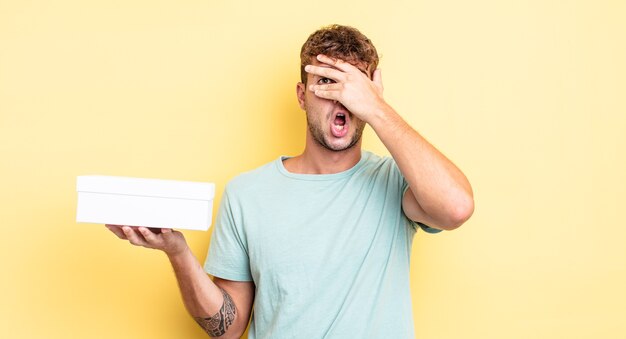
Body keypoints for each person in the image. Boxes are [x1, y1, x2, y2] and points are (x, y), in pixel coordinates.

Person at [106, 24, 474, 338]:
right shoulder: (246, 194)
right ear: (302, 96)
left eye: (354, 87)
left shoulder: (397, 183)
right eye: (327, 83)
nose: (342, 100)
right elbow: (229, 327)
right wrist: (178, 252)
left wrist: (377, 108)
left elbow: (457, 207)